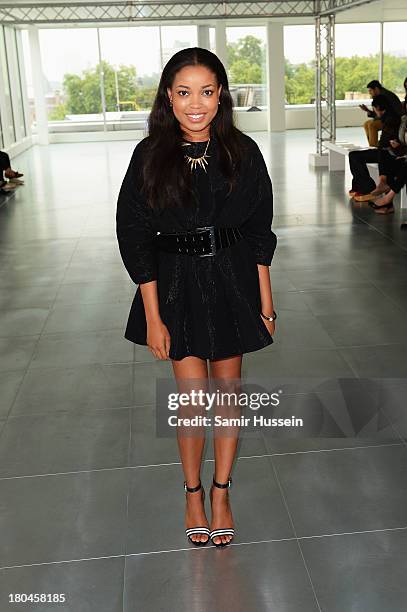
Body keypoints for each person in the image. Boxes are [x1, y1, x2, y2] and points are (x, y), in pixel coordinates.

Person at [116, 48, 277, 548]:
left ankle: (222, 491)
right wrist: (153, 316)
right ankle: (192, 493)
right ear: (169, 96)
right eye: (184, 93)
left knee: (227, 395)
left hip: (232, 280)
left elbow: (258, 231)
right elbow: (134, 233)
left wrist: (265, 303)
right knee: (191, 402)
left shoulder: (243, 152)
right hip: (177, 283)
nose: (195, 104)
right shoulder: (149, 156)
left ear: (221, 95)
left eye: (206, 92)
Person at [349, 95, 401, 201]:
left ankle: (367, 188)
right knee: (354, 155)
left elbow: (390, 140)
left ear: (378, 108)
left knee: (355, 156)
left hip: (388, 153)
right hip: (384, 150)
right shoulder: (389, 116)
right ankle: (359, 186)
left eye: (374, 109)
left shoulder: (391, 119)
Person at [360, 80, 403, 146]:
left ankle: (374, 148)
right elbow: (378, 114)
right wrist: (367, 111)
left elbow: (385, 114)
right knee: (366, 124)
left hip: (394, 120)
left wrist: (377, 116)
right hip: (386, 117)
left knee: (372, 125)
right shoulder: (378, 96)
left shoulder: (386, 96)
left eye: (370, 90)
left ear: (376, 89)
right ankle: (372, 145)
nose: (369, 93)